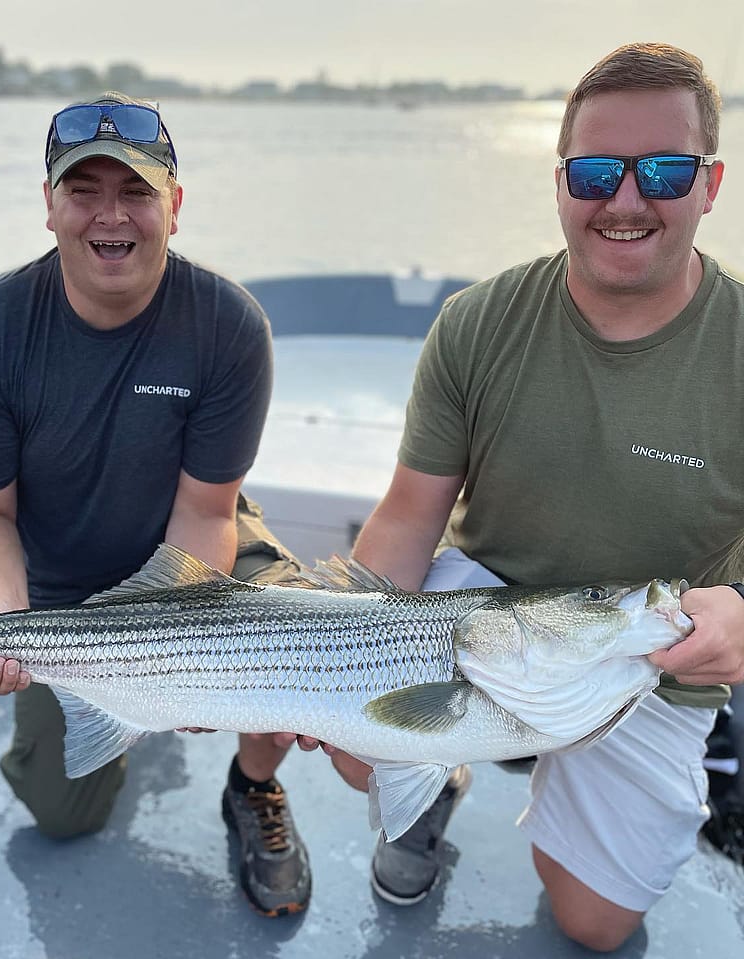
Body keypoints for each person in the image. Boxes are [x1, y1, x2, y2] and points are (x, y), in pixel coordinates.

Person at [282, 41, 744, 948]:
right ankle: (437, 777)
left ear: (710, 183)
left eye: (662, 170)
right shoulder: (477, 320)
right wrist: (324, 647)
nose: (624, 200)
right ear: (561, 178)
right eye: (596, 172)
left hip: (651, 657)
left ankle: (526, 769)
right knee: (347, 723)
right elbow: (411, 513)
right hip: (482, 611)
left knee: (596, 925)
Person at [0, 91, 311, 918]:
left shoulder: (229, 326)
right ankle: (91, 712)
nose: (112, 215)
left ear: (174, 207)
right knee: (65, 816)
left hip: (190, 559)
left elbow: (209, 512)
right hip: (55, 588)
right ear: (49, 207)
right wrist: (3, 609)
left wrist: (177, 659)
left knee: (304, 652)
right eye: (85, 189)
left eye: (137, 191)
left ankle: (251, 787)